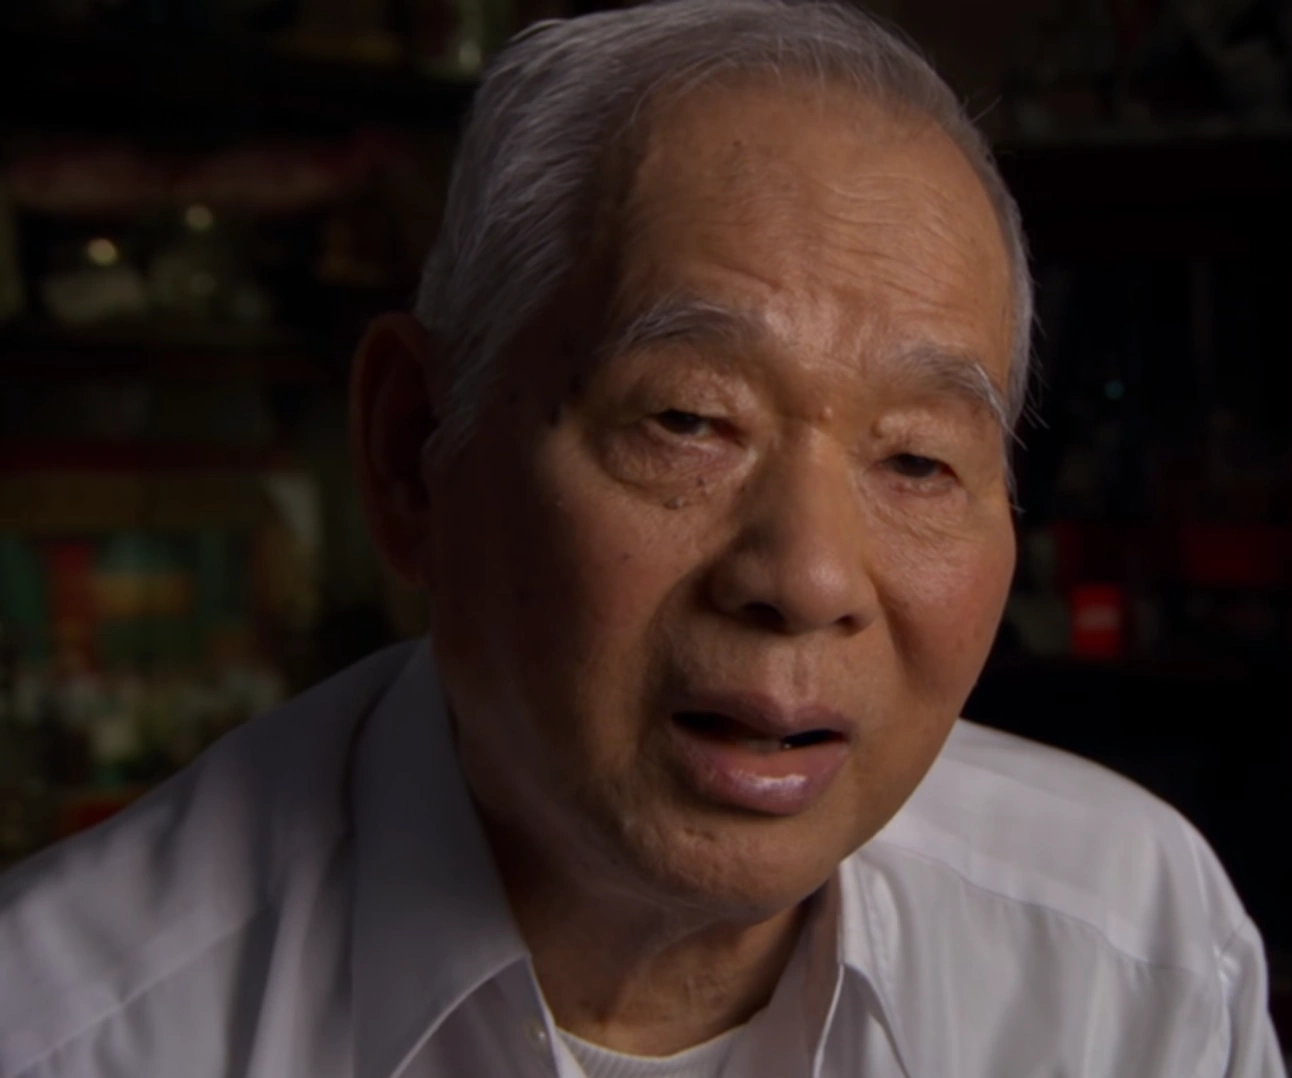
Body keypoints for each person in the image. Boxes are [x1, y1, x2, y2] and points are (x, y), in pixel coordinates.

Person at [1, 2, 1285, 1075]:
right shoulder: (72, 1030)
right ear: (411, 449)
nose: (807, 577)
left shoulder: (1131, 953)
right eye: (688, 420)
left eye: (915, 460)